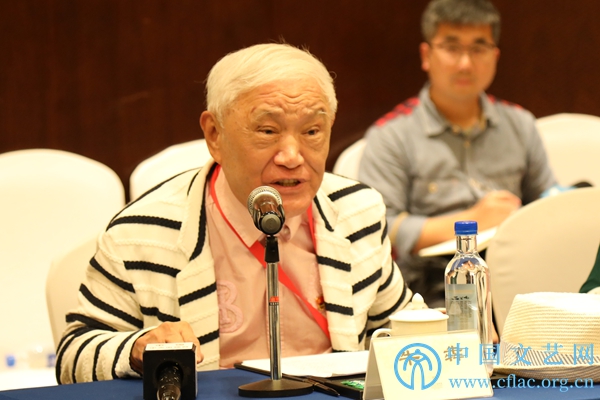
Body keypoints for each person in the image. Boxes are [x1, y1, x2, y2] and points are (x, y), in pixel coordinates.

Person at [55, 43, 412, 384]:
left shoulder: (356, 211)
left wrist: (431, 326)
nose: (292, 156)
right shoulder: (143, 231)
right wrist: (136, 348)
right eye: (268, 131)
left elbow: (399, 326)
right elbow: (74, 357)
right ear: (215, 135)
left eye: (312, 131)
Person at [358, 0, 556, 306]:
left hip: (516, 282)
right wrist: (472, 221)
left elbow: (547, 201)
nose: (465, 63)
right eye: (451, 48)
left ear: (495, 56)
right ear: (426, 55)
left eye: (478, 48)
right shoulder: (391, 135)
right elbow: (381, 227)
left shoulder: (520, 124)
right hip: (429, 291)